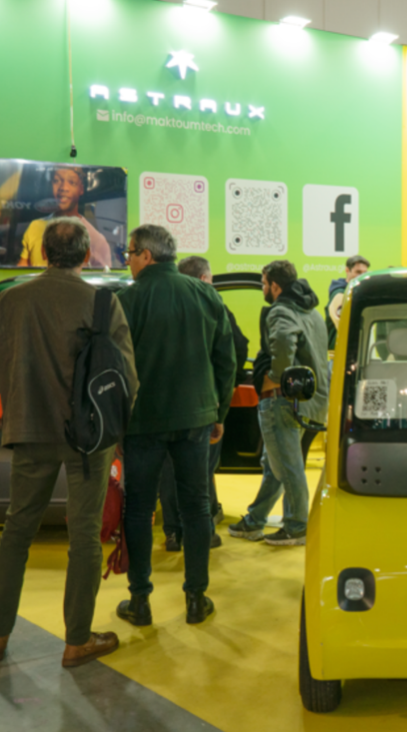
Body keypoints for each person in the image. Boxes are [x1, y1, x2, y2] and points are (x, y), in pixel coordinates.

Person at [0, 217, 137, 668]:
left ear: (43, 254)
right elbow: (127, 380)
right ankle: (77, 641)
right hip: (88, 439)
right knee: (84, 535)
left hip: (28, 431)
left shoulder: (8, 301)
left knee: (16, 531)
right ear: (86, 255)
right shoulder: (103, 303)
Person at [116, 225, 237, 627]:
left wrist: (117, 424)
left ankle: (140, 600)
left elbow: (113, 369)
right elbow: (226, 360)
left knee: (138, 510)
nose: (128, 261)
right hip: (196, 419)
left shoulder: (127, 300)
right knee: (197, 507)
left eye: (130, 253)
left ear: (146, 255)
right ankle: (196, 598)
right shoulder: (206, 295)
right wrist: (218, 413)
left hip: (142, 423)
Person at [229, 260, 330, 546]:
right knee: (276, 463)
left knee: (286, 466)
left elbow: (284, 342)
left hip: (282, 400)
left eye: (264, 284)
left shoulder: (281, 311)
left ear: (275, 285)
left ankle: (296, 525)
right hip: (308, 400)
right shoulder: (311, 312)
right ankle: (255, 519)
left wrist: (275, 377)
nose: (263, 289)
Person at [158, 256, 251, 553]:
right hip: (204, 405)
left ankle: (173, 533)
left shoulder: (162, 306)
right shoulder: (214, 306)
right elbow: (235, 351)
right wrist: (224, 396)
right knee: (200, 473)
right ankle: (202, 533)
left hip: (164, 406)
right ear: (203, 279)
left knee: (169, 471)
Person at [18, 167, 113, 268]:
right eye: (56, 180)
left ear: (81, 189)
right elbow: (22, 270)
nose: (63, 188)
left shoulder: (97, 241)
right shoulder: (35, 227)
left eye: (72, 182)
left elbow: (104, 276)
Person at [327, 255, 370, 352]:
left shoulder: (357, 292)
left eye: (364, 273)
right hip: (340, 351)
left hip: (353, 349)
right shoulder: (340, 295)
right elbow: (344, 326)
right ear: (347, 270)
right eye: (358, 272)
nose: (361, 276)